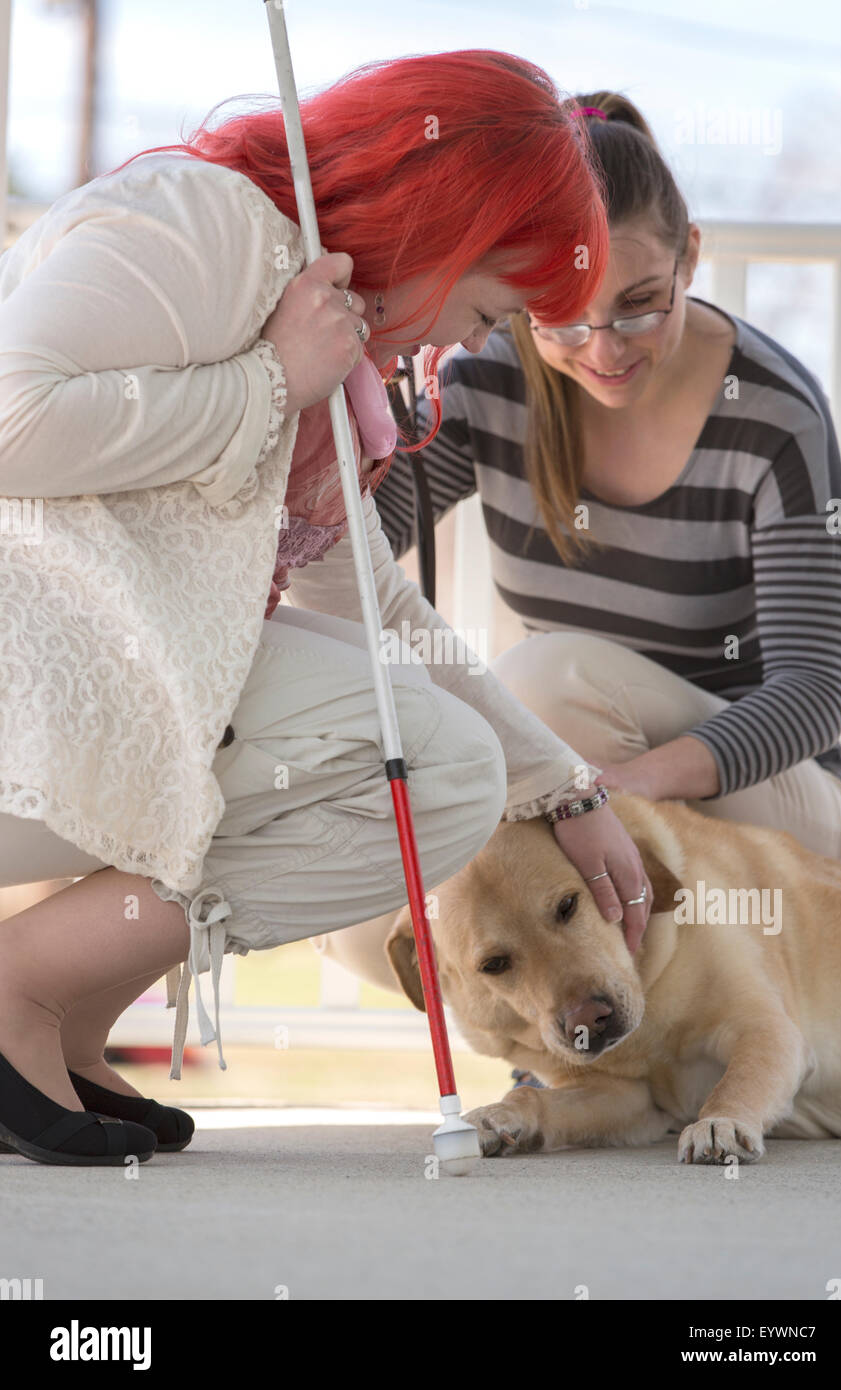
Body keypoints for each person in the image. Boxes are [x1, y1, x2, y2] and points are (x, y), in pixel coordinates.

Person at [0, 52, 653, 1166]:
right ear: (450, 227)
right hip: (34, 691)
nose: (471, 340)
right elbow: (13, 419)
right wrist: (268, 382)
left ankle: (61, 1018)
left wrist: (565, 782)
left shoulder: (332, 352)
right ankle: (16, 988)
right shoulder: (204, 223)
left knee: (437, 761)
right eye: (492, 304)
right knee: (429, 758)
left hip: (106, 682)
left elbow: (373, 606)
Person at [316, 88, 841, 995]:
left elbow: (813, 694)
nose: (603, 349)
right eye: (563, 315)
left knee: (543, 684)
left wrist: (611, 788)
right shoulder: (490, 378)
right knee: (361, 905)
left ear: (692, 255)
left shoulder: (773, 415)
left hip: (771, 805)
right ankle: (590, 1039)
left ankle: (668, 1021)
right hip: (583, 776)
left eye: (642, 305)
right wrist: (364, 383)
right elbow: (356, 546)